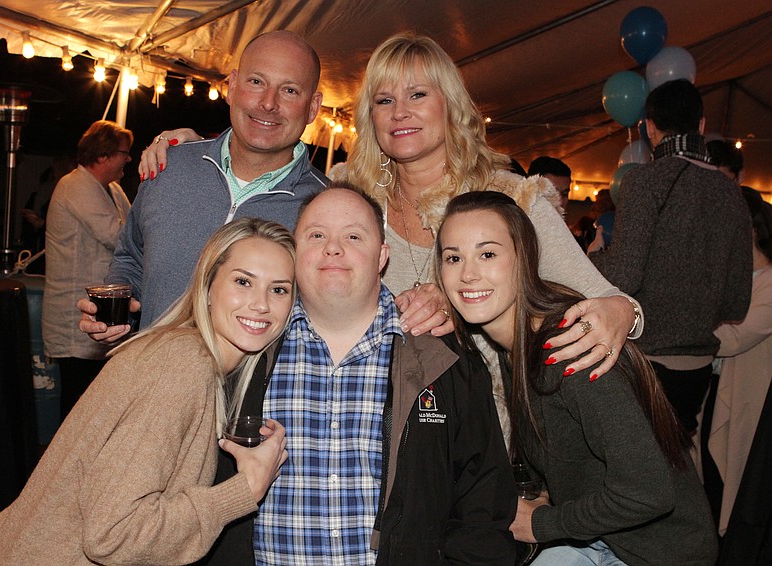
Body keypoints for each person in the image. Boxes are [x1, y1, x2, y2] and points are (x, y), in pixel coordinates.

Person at [143, 33, 644, 390]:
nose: (400, 111)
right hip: (374, 439)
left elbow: (607, 302)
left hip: (494, 438)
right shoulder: (347, 197)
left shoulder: (511, 198)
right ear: (371, 117)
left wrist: (621, 313)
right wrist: (196, 149)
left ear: (449, 104)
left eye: (418, 95)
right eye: (385, 100)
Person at [0, 217, 294, 565]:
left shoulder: (188, 357)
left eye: (279, 289)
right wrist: (245, 489)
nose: (261, 304)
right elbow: (114, 533)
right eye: (243, 281)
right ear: (208, 287)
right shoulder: (181, 363)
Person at [435, 190, 718, 565]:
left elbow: (649, 492)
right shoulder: (515, 348)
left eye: (487, 254)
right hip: (600, 538)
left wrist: (542, 524)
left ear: (525, 259)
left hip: (656, 553)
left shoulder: (569, 349)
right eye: (453, 257)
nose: (468, 273)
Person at [243, 186, 515, 564]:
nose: (333, 248)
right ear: (294, 253)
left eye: (353, 236)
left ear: (382, 257)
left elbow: (483, 504)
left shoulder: (444, 358)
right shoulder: (247, 353)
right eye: (316, 235)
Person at [78, 30, 326, 345]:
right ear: (233, 86)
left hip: (255, 394)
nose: (268, 103)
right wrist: (119, 305)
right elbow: (131, 256)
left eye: (289, 90)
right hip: (154, 380)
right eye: (256, 82)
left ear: (313, 107)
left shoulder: (324, 207)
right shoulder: (169, 168)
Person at [590, 79, 753, 434]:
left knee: (635, 475)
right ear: (702, 125)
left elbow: (625, 275)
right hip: (697, 368)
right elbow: (737, 303)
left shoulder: (645, 181)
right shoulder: (731, 193)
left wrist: (594, 258)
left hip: (645, 362)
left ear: (649, 128)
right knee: (674, 470)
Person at [43, 120, 133, 418]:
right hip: (75, 316)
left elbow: (134, 232)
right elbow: (119, 236)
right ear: (103, 155)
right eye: (124, 152)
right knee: (77, 406)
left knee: (94, 404)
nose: (128, 159)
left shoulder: (114, 190)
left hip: (100, 314)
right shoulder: (75, 185)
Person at [703, 186, 772, 536]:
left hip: (749, 399)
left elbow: (732, 339)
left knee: (733, 483)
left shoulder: (770, 284)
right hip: (717, 388)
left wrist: (687, 326)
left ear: (751, 231)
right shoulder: (734, 279)